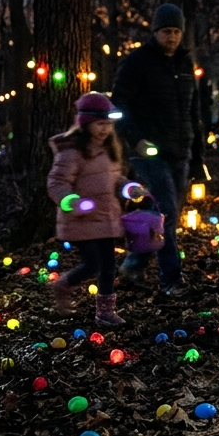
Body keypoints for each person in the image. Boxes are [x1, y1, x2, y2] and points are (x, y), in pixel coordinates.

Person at [110, 3, 203, 296]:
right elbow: (119, 104)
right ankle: (171, 278)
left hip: (180, 149)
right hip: (150, 151)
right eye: (166, 31)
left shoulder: (186, 65)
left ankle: (134, 264)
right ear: (156, 32)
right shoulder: (138, 62)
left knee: (158, 212)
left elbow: (193, 109)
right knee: (166, 212)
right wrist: (136, 140)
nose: (172, 37)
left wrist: (197, 150)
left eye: (176, 32)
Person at [48, 93, 145, 325]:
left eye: (108, 125)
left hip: (106, 217)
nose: (104, 130)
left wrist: (128, 188)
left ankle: (105, 312)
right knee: (93, 263)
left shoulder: (110, 149)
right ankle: (63, 285)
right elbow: (57, 183)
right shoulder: (72, 152)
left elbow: (115, 179)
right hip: (81, 218)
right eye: (99, 124)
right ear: (85, 123)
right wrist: (72, 202)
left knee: (109, 266)